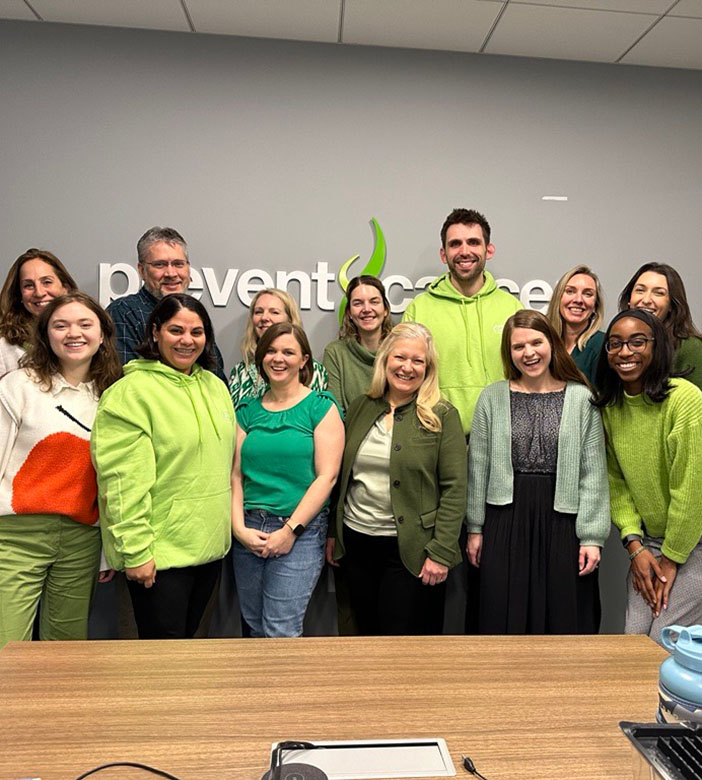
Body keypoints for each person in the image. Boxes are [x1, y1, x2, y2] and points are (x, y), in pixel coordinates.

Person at [92, 293, 236, 639]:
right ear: (155, 332)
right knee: (160, 664)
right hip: (159, 556)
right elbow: (123, 482)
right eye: (176, 330)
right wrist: (136, 552)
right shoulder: (131, 393)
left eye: (197, 332)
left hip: (209, 550)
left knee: (191, 658)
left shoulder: (215, 387)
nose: (187, 341)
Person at [466, 310, 609, 634]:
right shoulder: (491, 397)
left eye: (536, 342)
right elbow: (478, 467)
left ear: (551, 343)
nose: (528, 353)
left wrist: (591, 537)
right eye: (518, 347)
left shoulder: (581, 398)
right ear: (509, 353)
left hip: (563, 521)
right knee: (501, 612)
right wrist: (475, 528)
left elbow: (593, 474)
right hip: (504, 517)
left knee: (561, 613)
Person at [327, 322, 467, 635]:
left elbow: (455, 489)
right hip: (357, 544)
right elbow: (344, 474)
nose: (407, 368)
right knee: (364, 635)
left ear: (428, 368)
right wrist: (334, 534)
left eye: (418, 361)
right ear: (385, 360)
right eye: (400, 358)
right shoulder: (363, 406)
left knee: (402, 648)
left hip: (412, 552)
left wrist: (442, 552)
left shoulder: (442, 415)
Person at [0, 292, 122, 647]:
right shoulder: (18, 386)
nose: (74, 333)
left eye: (85, 324)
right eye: (61, 325)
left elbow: (111, 478)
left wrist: (105, 549)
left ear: (102, 335)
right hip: (15, 536)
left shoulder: (113, 395)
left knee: (66, 651)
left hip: (81, 539)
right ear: (46, 334)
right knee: (9, 648)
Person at [594, 309, 702, 643]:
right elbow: (616, 484)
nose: (625, 352)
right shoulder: (611, 406)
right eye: (615, 344)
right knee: (633, 640)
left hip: (694, 543)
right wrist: (635, 547)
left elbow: (692, 486)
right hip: (650, 544)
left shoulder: (684, 399)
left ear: (657, 347)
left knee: (660, 643)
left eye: (637, 342)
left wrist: (670, 560)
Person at [230, 321, 343, 638]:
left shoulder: (321, 407)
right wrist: (239, 530)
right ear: (261, 358)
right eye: (271, 351)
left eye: (288, 352)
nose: (278, 359)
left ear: (304, 360)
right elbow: (235, 476)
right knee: (253, 627)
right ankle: (255, 690)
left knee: (280, 630)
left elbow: (327, 476)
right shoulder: (247, 410)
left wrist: (290, 530)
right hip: (249, 530)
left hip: (300, 533)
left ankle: (281, 691)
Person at [402, 208, 522, 436]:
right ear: (443, 254)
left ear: (489, 250)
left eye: (473, 242)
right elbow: (404, 380)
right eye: (455, 244)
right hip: (434, 435)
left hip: (501, 436)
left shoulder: (512, 309)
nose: (464, 251)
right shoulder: (419, 309)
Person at [106, 226, 226, 382]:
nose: (171, 273)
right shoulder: (124, 312)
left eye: (178, 264)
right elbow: (126, 381)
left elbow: (216, 377)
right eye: (160, 265)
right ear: (142, 270)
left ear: (188, 269)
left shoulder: (194, 314)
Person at [229, 288, 328, 407]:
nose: (264, 318)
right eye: (258, 312)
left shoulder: (312, 370)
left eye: (274, 312)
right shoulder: (241, 371)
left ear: (290, 319)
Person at [619, 262, 702, 389]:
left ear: (671, 305)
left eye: (658, 293)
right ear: (629, 299)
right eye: (640, 290)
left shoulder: (690, 347)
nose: (646, 300)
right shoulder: (616, 345)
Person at [0, 249, 77, 378]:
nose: (39, 293)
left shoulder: (84, 339)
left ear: (65, 288)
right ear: (19, 294)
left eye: (47, 282)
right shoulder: (4, 348)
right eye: (28, 285)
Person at [323, 275, 393, 412]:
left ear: (385, 310)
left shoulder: (400, 351)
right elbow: (334, 412)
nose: (366, 309)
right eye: (358, 303)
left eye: (374, 302)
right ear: (349, 312)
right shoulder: (336, 353)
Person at [545, 264, 605, 384]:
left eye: (588, 294)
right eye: (570, 291)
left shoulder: (601, 344)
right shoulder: (544, 342)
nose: (578, 300)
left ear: (595, 305)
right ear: (558, 298)